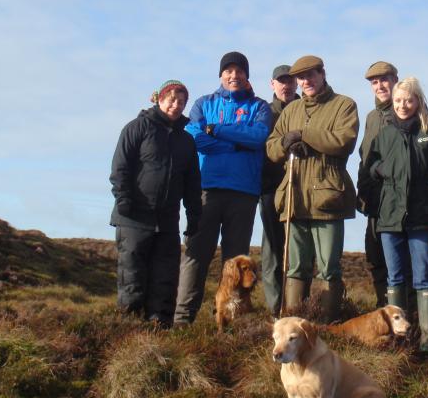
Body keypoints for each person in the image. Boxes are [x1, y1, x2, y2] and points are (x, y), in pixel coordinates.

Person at [173, 52, 271, 325]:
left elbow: (259, 136)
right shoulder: (204, 103)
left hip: (244, 192)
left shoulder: (260, 107)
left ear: (247, 76)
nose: (234, 75)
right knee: (195, 255)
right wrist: (235, 143)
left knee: (236, 263)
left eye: (239, 71)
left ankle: (231, 320)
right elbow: (194, 137)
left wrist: (216, 130)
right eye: (228, 70)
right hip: (207, 189)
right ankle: (183, 320)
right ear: (221, 75)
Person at [265, 55, 359, 322]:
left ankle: (328, 327)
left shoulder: (344, 105)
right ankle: (295, 326)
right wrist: (286, 143)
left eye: (311, 75)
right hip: (294, 198)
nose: (306, 81)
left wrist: (304, 135)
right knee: (295, 268)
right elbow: (271, 149)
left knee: (329, 268)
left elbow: (343, 141)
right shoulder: (290, 111)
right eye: (301, 77)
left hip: (327, 199)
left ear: (322, 74)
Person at [364, 77, 428, 352]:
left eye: (409, 100)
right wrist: (378, 170)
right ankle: (399, 338)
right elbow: (370, 165)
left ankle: (426, 340)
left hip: (422, 216)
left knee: (423, 277)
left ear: (418, 101)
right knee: (394, 278)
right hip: (390, 216)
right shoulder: (385, 134)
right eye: (398, 100)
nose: (403, 105)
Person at [109, 81, 202, 327]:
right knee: (132, 276)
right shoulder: (136, 128)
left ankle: (159, 330)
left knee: (165, 279)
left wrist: (194, 217)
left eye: (181, 102)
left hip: (168, 221)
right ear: (159, 99)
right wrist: (124, 200)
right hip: (133, 218)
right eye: (171, 99)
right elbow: (120, 168)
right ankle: (129, 329)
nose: (175, 105)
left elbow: (193, 183)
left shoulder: (186, 141)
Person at [356, 61, 412, 307]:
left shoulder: (406, 110)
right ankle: (385, 311)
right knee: (375, 256)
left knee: (402, 260)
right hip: (375, 201)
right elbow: (364, 157)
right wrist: (362, 191)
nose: (379, 86)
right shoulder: (371, 117)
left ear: (395, 80)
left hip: (400, 201)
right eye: (374, 82)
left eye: (384, 80)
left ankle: (409, 314)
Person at [259, 64, 299, 315]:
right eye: (281, 81)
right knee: (273, 250)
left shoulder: (304, 109)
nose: (286, 85)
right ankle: (275, 310)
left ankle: (295, 307)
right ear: (272, 84)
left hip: (300, 189)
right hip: (270, 189)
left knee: (297, 249)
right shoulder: (264, 112)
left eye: (290, 80)